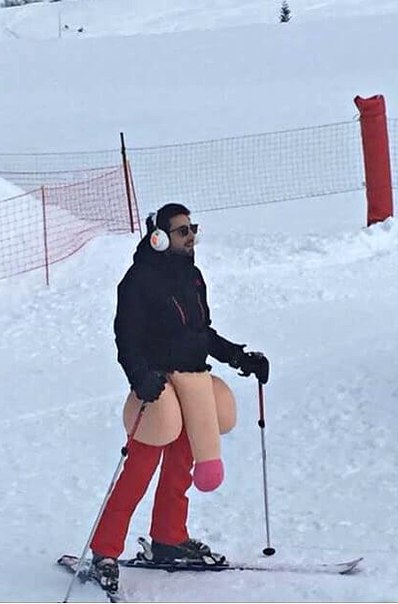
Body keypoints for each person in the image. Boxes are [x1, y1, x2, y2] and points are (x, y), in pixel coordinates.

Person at [88, 203, 269, 594]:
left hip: (192, 382)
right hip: (157, 387)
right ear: (159, 237)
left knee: (181, 465)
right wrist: (140, 378)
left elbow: (201, 333)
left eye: (193, 229)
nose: (191, 237)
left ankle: (169, 538)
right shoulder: (138, 281)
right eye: (182, 231)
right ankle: (104, 551)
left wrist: (240, 357)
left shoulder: (192, 276)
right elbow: (126, 339)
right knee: (139, 470)